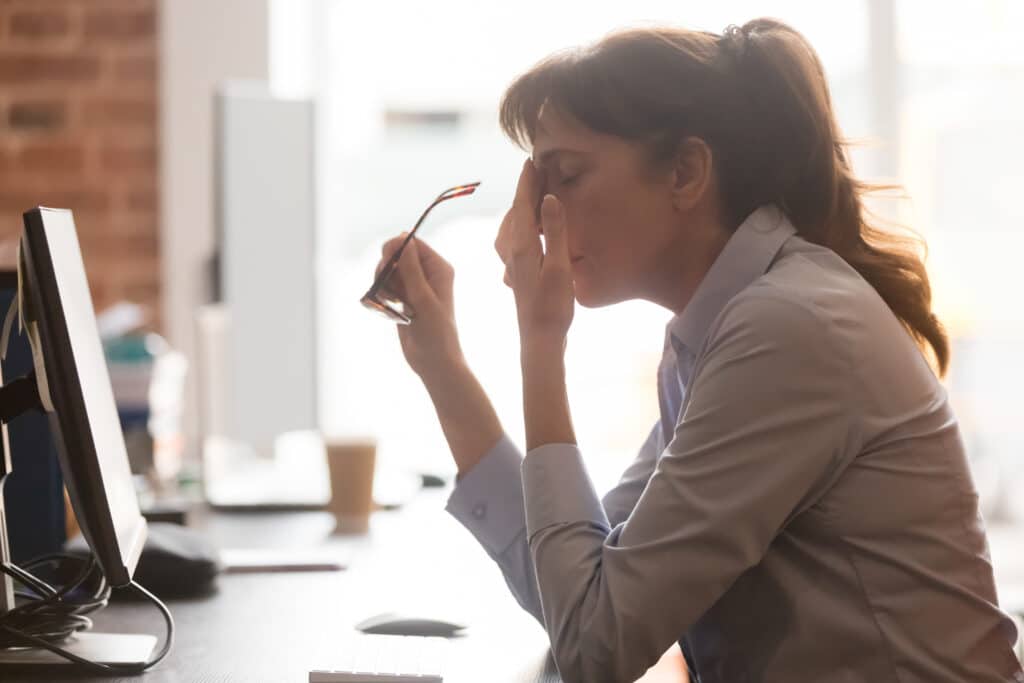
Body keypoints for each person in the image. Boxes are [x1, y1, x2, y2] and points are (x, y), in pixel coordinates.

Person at [372, 18, 1023, 683]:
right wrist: (442, 365)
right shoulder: (723, 329)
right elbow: (573, 589)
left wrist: (541, 343)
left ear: (686, 173)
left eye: (562, 175)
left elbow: (597, 648)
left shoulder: (787, 329)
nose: (535, 212)